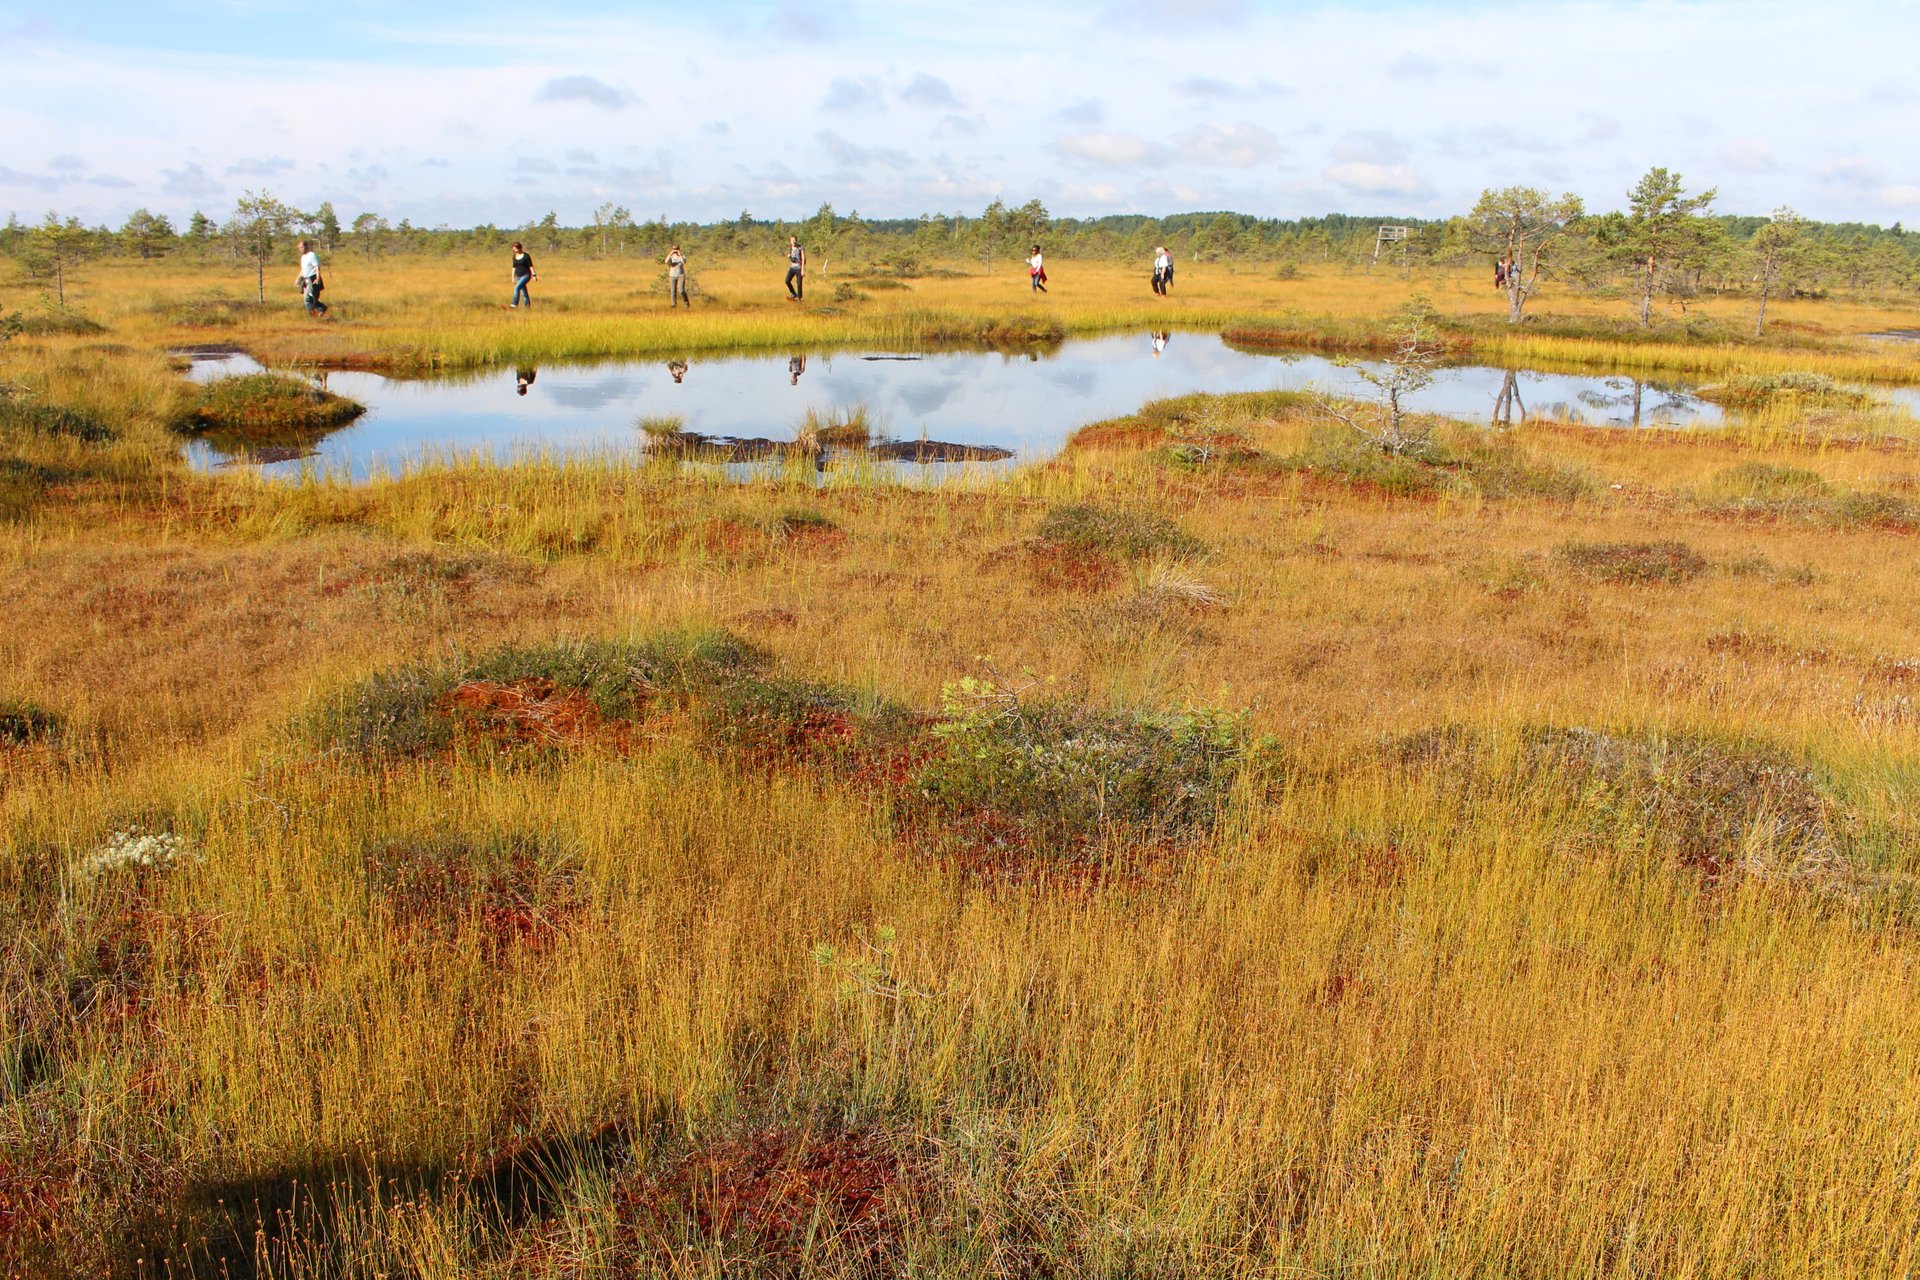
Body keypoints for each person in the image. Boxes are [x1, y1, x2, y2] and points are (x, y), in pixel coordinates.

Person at [295, 239, 328, 317]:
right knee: (311, 299)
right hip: (305, 279)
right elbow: (303, 270)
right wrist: (298, 279)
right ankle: (322, 308)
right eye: (299, 248)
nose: (300, 249)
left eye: (302, 247)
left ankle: (313, 316)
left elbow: (317, 267)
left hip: (312, 278)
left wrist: (318, 278)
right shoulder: (303, 257)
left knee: (308, 299)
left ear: (306, 246)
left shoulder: (311, 255)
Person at [509, 242, 535, 308]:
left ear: (520, 248)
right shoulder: (514, 256)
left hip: (526, 275)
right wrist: (512, 277)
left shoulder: (526, 256)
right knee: (524, 293)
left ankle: (514, 304)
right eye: (514, 250)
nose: (515, 251)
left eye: (516, 249)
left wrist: (534, 275)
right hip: (518, 276)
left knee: (516, 288)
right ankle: (527, 307)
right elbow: (514, 267)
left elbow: (531, 266)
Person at [785, 236, 805, 300]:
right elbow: (789, 256)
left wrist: (802, 270)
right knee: (787, 280)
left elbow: (803, 258)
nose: (793, 241)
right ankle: (793, 293)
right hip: (792, 268)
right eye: (792, 240)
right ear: (790, 241)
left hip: (799, 268)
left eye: (794, 240)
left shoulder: (800, 247)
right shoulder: (790, 248)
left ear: (796, 240)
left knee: (799, 284)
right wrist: (789, 257)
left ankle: (799, 298)